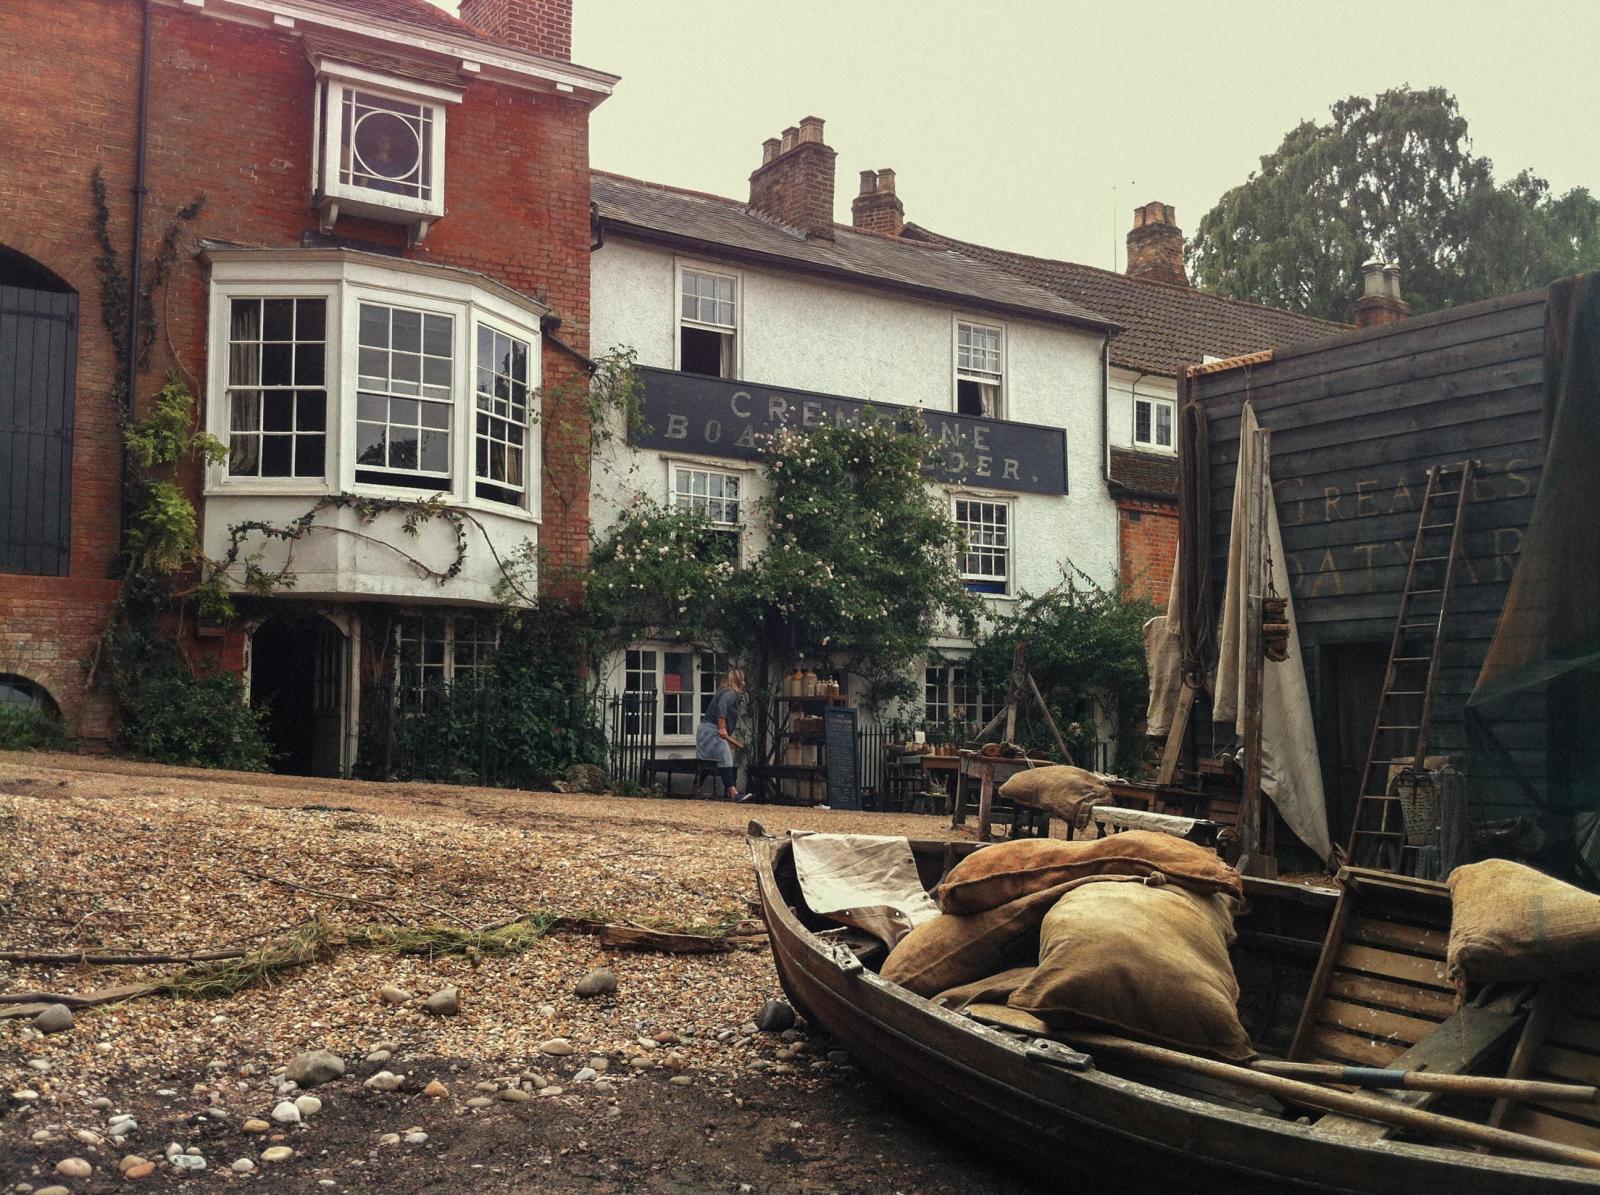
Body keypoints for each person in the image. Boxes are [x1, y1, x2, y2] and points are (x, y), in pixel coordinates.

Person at [698, 668, 749, 802]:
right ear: (738, 681)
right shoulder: (730, 693)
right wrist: (722, 728)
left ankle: (697, 788)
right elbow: (722, 707)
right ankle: (733, 793)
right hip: (713, 730)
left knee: (707, 760)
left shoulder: (723, 691)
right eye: (742, 680)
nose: (744, 683)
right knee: (726, 758)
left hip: (705, 729)